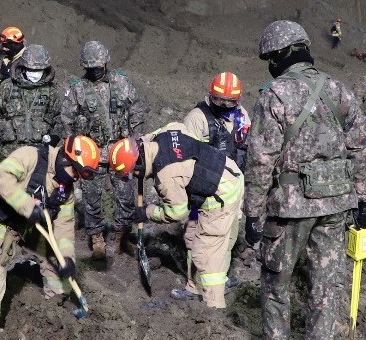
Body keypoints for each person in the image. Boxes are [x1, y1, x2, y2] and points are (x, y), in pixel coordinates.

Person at [240, 20, 366, 340]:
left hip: (290, 207)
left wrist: (252, 212)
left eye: (270, 58)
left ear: (280, 55)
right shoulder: (339, 90)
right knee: (326, 284)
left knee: (276, 280)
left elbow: (260, 159)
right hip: (336, 204)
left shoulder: (275, 95)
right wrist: (359, 195)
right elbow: (360, 147)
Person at [0, 134, 99, 340]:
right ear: (64, 159)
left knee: (56, 261)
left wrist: (67, 258)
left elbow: (64, 227)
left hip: (25, 226)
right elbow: (0, 178)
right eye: (75, 171)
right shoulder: (30, 156)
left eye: (80, 175)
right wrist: (29, 207)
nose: (76, 178)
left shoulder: (65, 190)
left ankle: (56, 306)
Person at [108, 124, 244, 309]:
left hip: (222, 194)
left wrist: (147, 212)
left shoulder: (166, 176)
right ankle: (194, 289)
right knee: (191, 236)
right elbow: (178, 127)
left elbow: (177, 212)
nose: (135, 176)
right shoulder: (161, 135)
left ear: (138, 163)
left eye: (133, 172)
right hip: (220, 173)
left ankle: (214, 307)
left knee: (206, 253)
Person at [58, 40, 147, 261]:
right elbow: (66, 120)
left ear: (105, 63)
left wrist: (135, 140)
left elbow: (137, 109)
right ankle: (97, 238)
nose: (95, 70)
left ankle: (122, 238)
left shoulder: (122, 82)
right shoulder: (77, 88)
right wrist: (73, 151)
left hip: (121, 151)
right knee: (92, 199)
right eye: (90, 67)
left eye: (98, 66)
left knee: (126, 197)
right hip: (91, 154)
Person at [181, 71, 250, 289]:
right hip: (205, 190)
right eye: (219, 100)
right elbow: (185, 158)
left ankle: (218, 281)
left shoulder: (241, 116)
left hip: (233, 189)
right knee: (197, 237)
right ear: (211, 96)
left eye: (230, 101)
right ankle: (195, 286)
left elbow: (245, 148)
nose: (224, 105)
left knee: (228, 237)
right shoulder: (197, 118)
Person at [0, 45, 61, 160]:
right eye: (31, 69)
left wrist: (55, 136)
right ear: (23, 67)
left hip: (40, 153)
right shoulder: (8, 86)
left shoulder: (51, 90)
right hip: (9, 153)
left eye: (38, 70)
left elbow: (59, 117)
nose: (35, 73)